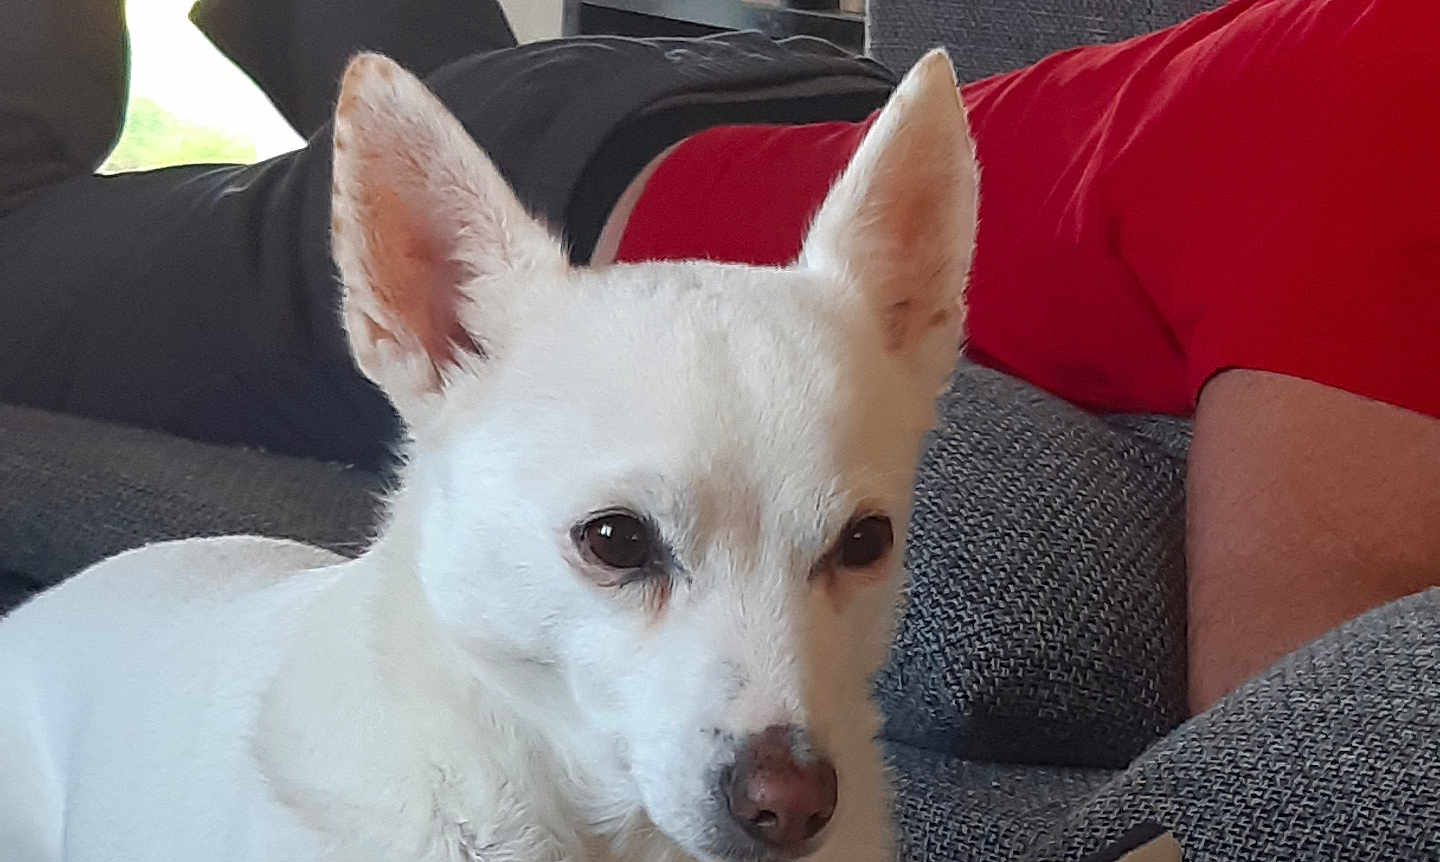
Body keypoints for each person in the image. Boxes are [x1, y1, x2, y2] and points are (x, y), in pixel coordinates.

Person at [2, 0, 1438, 710]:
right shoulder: (1407, 127)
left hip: (776, 112)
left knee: (397, 60)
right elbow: (1300, 734)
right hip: (584, 197)